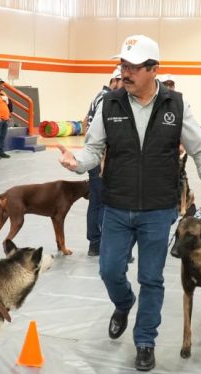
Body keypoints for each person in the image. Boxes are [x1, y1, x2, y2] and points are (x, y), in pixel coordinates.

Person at [58, 35, 201, 372]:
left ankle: (145, 340)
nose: (126, 73)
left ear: (153, 70)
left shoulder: (176, 105)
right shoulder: (110, 103)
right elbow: (94, 150)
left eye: (133, 67)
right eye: (124, 66)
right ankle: (123, 302)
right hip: (117, 206)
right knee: (109, 269)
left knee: (152, 278)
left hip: (158, 211)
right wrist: (77, 162)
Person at [83, 66, 122, 256]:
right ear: (114, 81)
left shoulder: (98, 96)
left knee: (96, 200)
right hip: (99, 156)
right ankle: (100, 243)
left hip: (95, 154)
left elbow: (85, 122)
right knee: (102, 201)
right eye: (122, 81)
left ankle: (95, 243)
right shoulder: (107, 98)